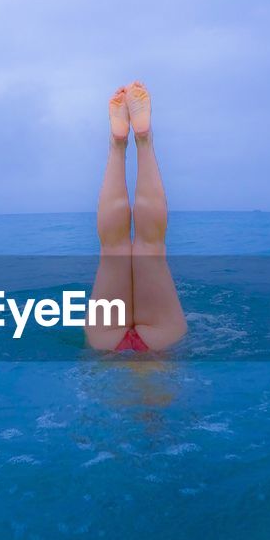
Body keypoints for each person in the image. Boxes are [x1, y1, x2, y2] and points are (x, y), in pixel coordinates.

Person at [85, 81, 187, 353]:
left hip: (127, 345)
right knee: (119, 248)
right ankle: (134, 141)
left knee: (128, 248)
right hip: (147, 348)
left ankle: (126, 142)